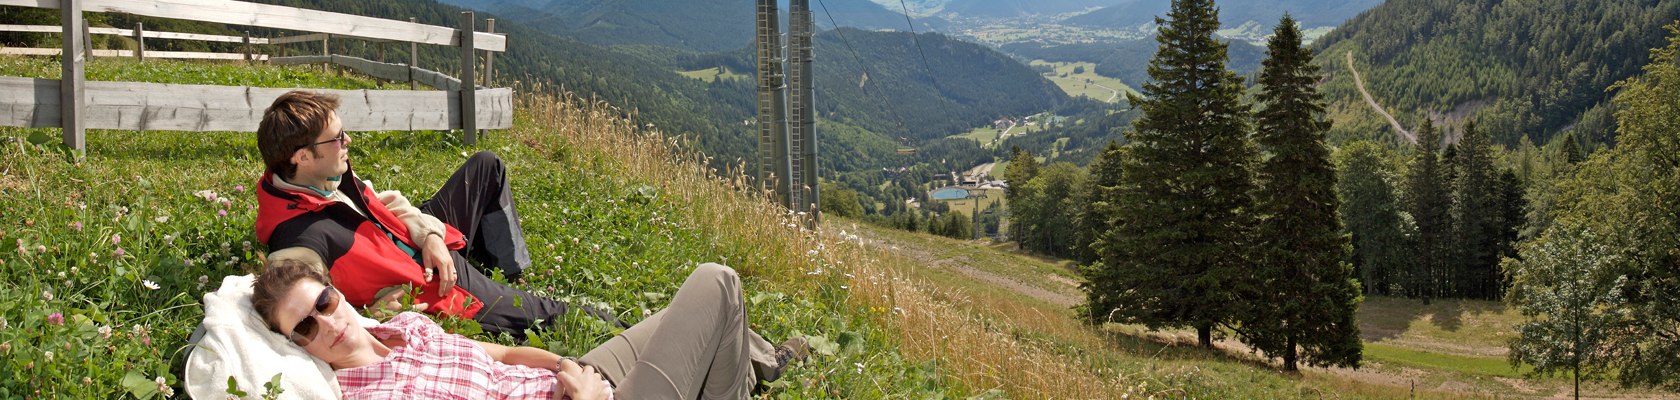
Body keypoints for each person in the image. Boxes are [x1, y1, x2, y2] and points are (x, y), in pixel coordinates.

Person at [253, 90, 619, 338]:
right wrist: (370, 318)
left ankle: (511, 274)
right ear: (301, 156)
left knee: (486, 166)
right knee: (553, 314)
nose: (347, 141)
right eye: (336, 138)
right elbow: (292, 307)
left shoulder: (320, 177)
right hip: (434, 282)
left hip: (416, 244)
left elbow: (386, 203)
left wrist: (430, 236)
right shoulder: (300, 238)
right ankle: (633, 331)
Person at [252, 258, 809, 399]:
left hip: (564, 383)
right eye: (304, 327)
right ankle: (742, 374)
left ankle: (752, 360)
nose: (325, 323)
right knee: (716, 284)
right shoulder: (362, 394)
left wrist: (566, 366)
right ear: (294, 344)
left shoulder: (403, 328)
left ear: (336, 292)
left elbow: (495, 355)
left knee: (678, 320)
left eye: (323, 302)